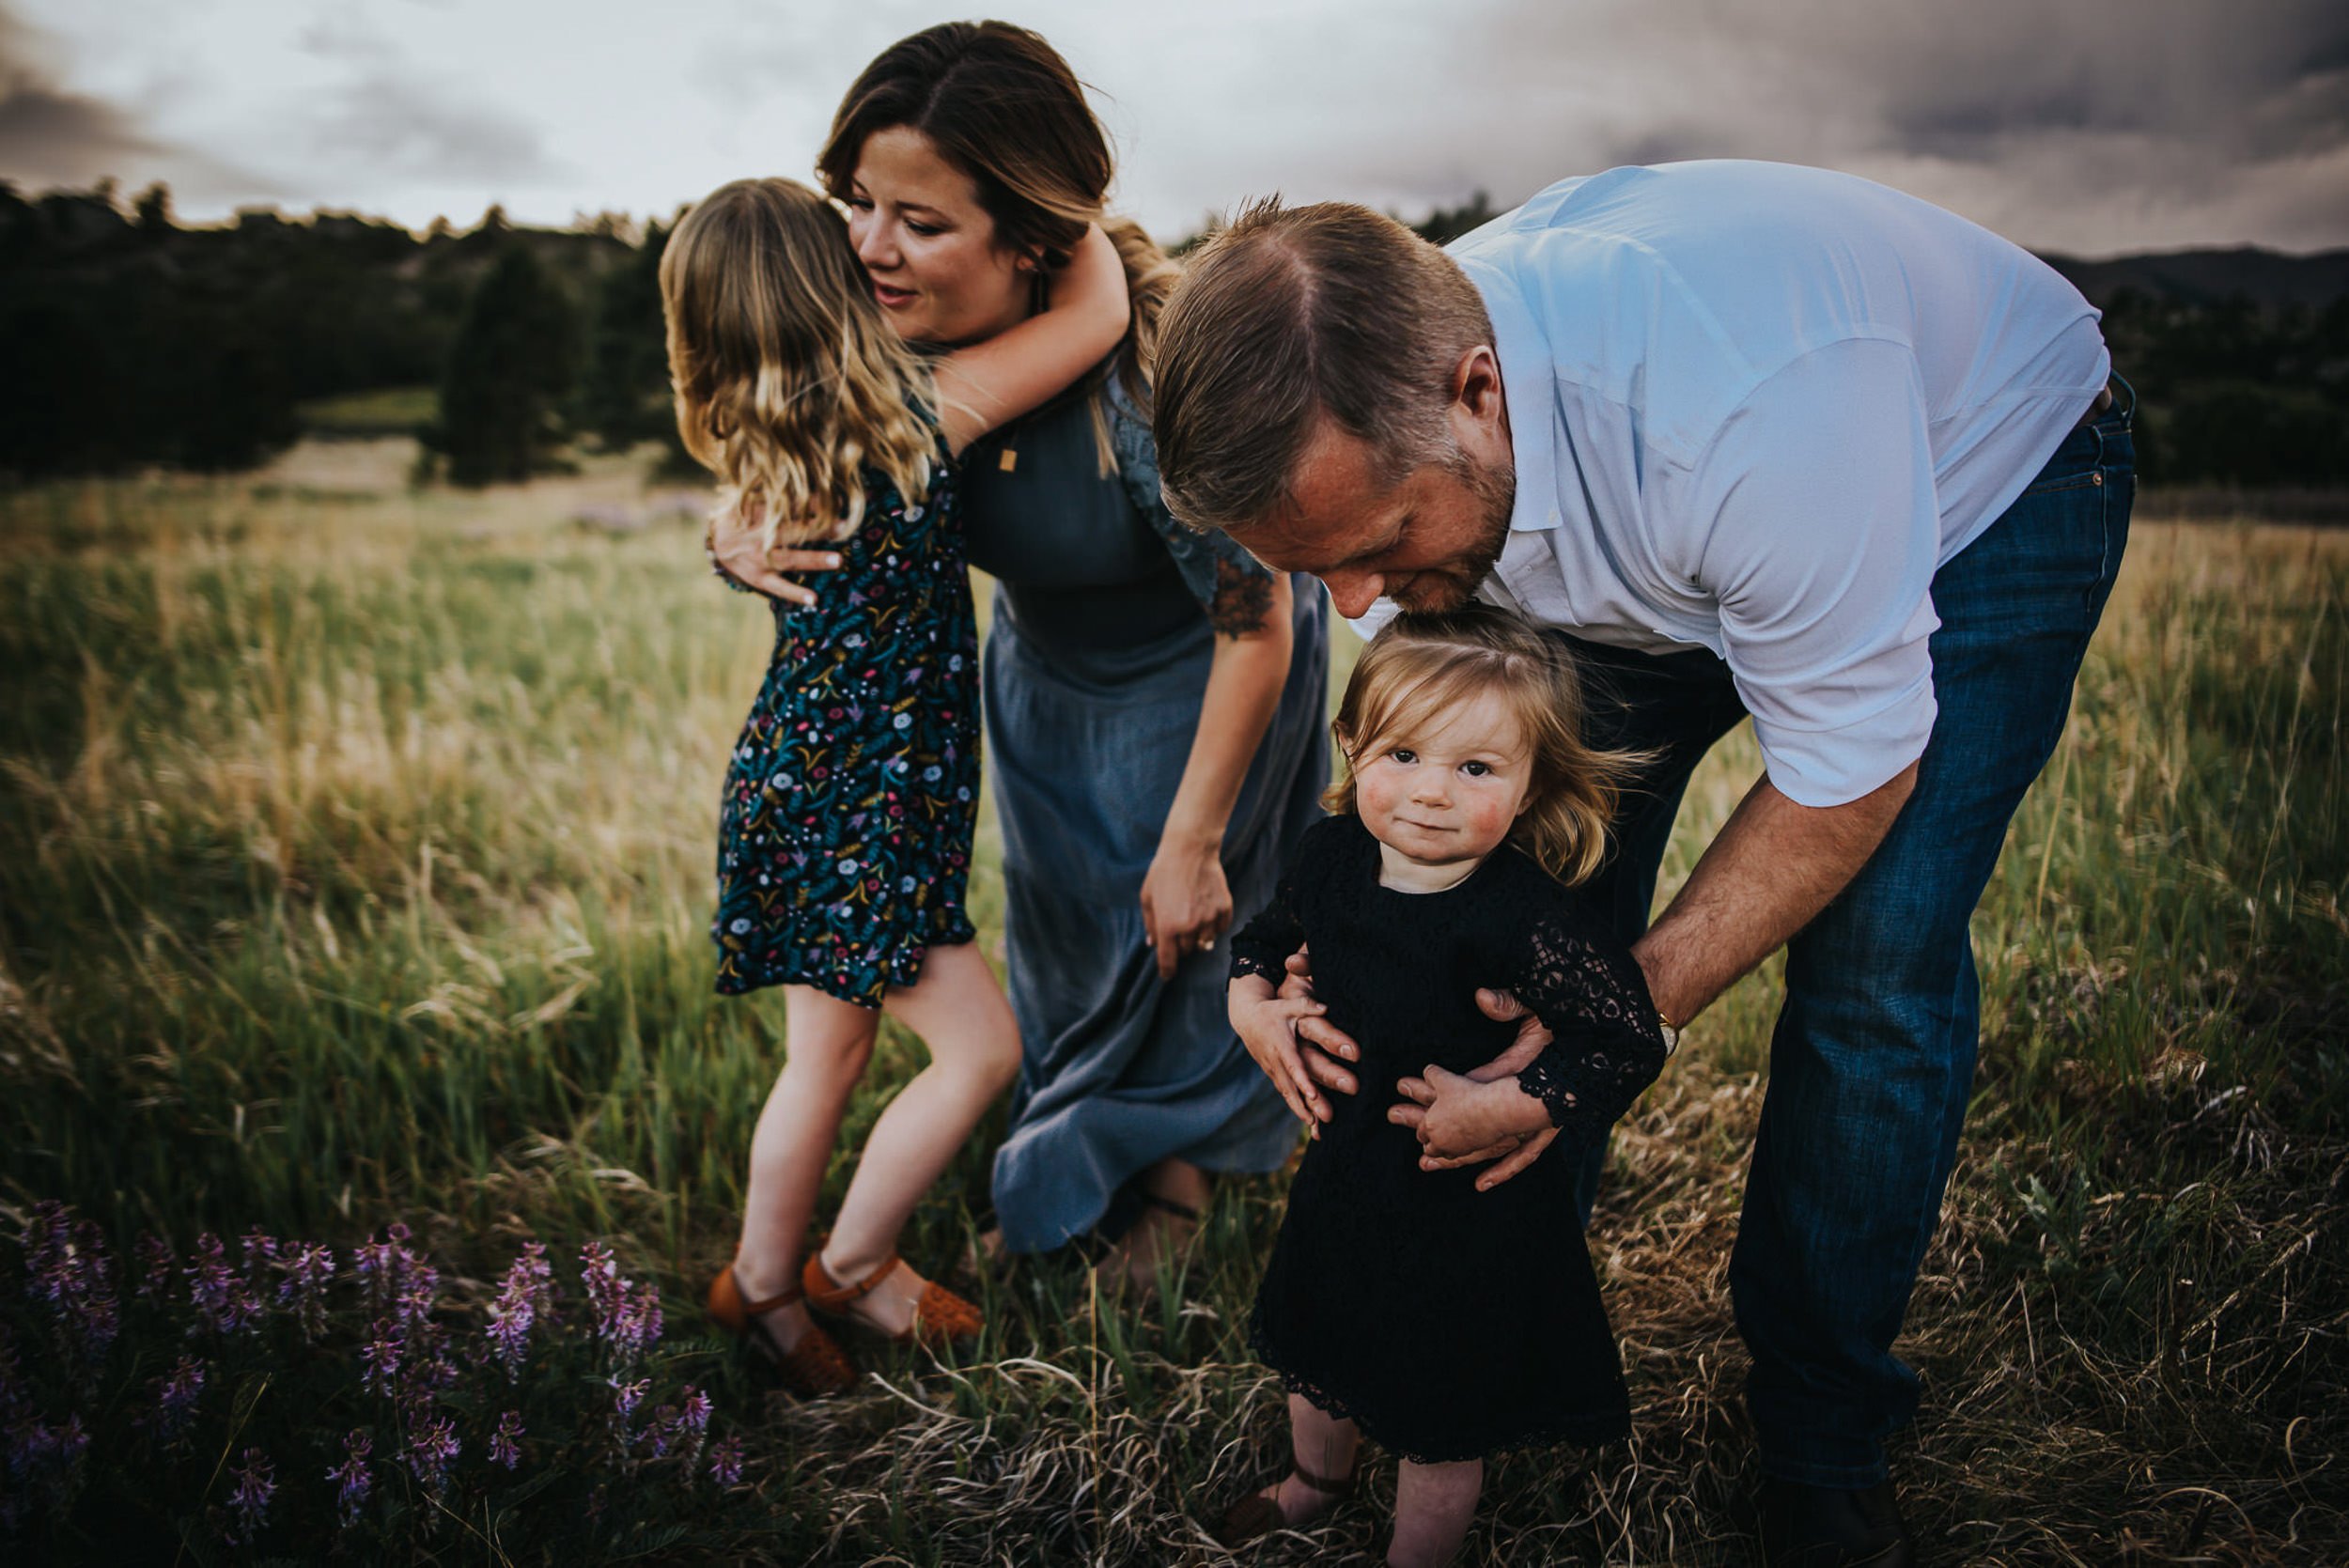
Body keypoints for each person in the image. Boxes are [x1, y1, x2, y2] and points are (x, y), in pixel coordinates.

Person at [1150, 163, 2133, 1565]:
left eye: (1374, 548)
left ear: (1476, 393)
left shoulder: (1742, 410)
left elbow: (1851, 772)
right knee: (1523, 911)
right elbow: (1433, 877)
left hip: (1993, 474)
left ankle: (1822, 1435)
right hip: (1660, 508)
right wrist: (1286, 979)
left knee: (1874, 965)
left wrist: (1624, 1006)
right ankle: (1485, 1341)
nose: (1358, 608)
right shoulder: (1411, 440)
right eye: (1319, 575)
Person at [712, 22, 1329, 1289]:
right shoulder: (884, 343)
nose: (872, 246)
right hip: (1043, 672)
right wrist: (733, 520)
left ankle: (1175, 1190)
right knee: (1063, 933)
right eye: (858, 203)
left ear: (1033, 237)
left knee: (1181, 926)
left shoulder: (1153, 365)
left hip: (1207, 664)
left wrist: (1193, 837)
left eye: (921, 221)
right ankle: (1078, 1155)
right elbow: (783, 441)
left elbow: (1253, 617)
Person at [667, 177, 1131, 1395]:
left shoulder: (764, 462)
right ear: (840, 288)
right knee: (978, 1050)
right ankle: (853, 1263)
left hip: (804, 790)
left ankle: (760, 1283)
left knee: (823, 1060)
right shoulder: (918, 420)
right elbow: (1096, 310)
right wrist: (1044, 197)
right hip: (865, 818)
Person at [1218, 605, 1666, 1568]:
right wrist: (1251, 1007)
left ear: (1531, 781)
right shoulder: (1329, 857)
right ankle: (1314, 1481)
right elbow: (1261, 941)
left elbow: (1625, 1036)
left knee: (1438, 1415)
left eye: (1475, 768)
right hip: (1344, 1169)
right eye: (1404, 754)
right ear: (1351, 742)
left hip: (1464, 1204)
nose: (1429, 793)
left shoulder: (1524, 919)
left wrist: (1519, 1101)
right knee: (1316, 1343)